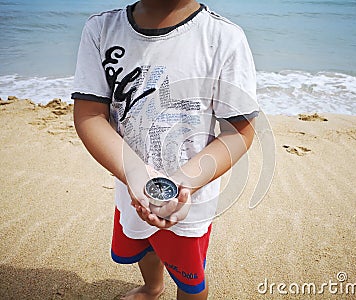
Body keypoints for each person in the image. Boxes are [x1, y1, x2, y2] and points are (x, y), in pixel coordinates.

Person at [72, 0, 259, 299]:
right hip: (129, 182)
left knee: (190, 278)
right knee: (145, 242)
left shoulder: (223, 38)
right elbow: (90, 114)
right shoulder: (102, 29)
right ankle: (153, 287)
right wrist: (134, 174)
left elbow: (237, 132)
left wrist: (184, 182)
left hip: (190, 195)